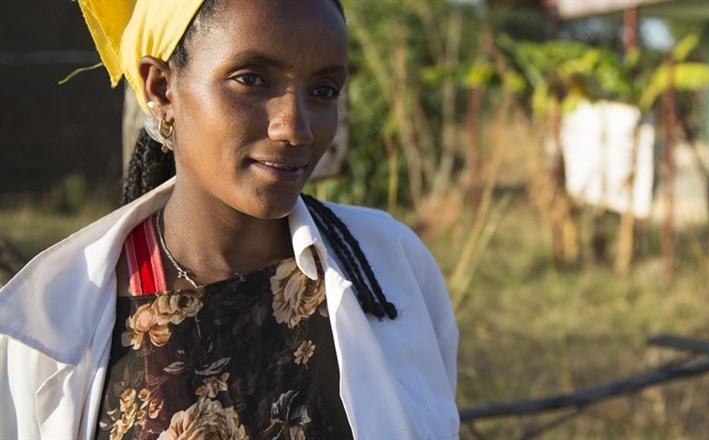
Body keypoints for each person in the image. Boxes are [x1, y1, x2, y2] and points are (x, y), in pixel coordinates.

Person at [0, 0, 459, 438]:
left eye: (323, 91)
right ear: (162, 88)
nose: (294, 127)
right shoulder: (48, 320)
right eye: (252, 79)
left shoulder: (391, 270)